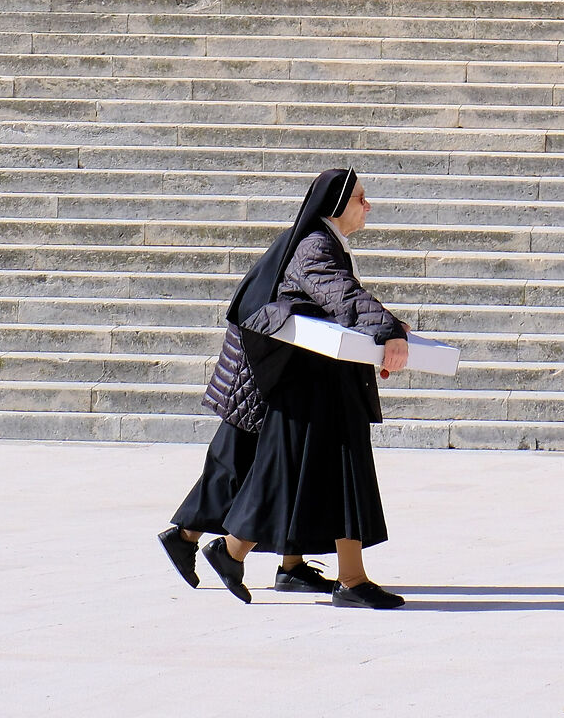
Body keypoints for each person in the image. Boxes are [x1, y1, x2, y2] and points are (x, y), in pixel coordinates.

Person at [158, 168, 411, 610]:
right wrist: (386, 328)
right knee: (267, 469)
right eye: (360, 198)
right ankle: (228, 548)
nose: (368, 206)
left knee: (276, 469)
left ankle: (280, 564)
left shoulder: (321, 241)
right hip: (279, 380)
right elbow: (341, 295)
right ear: (335, 207)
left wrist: (384, 327)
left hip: (292, 375)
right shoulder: (316, 245)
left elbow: (335, 301)